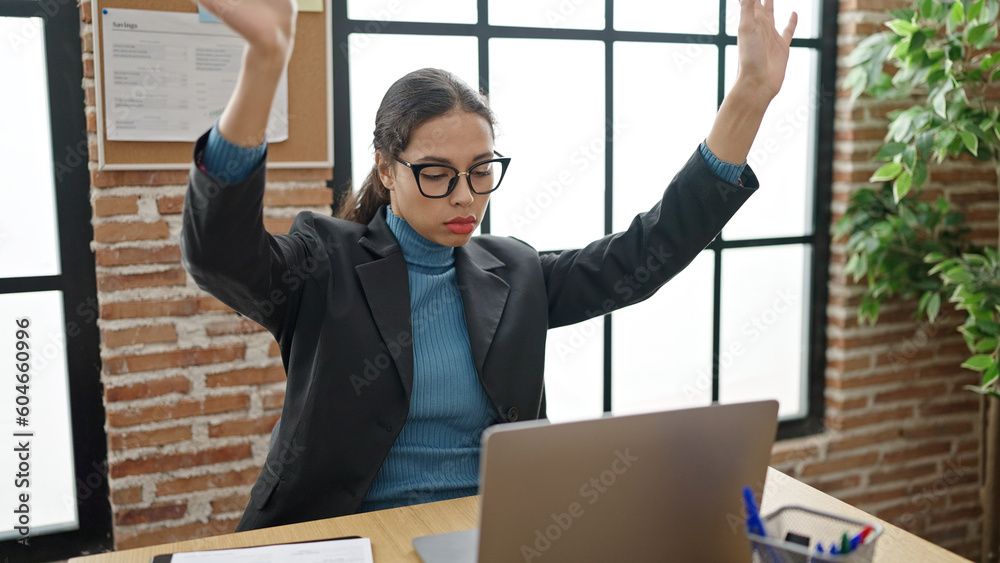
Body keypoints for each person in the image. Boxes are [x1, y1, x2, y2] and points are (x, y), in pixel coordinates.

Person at [182, 0, 797, 532]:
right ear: (387, 167)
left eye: (481, 172)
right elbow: (222, 258)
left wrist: (747, 97)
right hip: (355, 541)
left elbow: (644, 255)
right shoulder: (327, 262)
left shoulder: (515, 272)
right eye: (436, 174)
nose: (464, 196)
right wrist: (266, 64)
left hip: (495, 536)